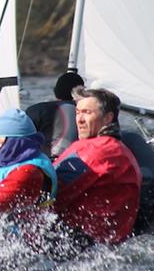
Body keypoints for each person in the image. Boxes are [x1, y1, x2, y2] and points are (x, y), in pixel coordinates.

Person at [53, 87, 141, 244]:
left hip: (79, 242)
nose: (79, 120)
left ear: (108, 118)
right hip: (103, 242)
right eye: (78, 112)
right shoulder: (113, 147)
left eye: (87, 113)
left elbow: (54, 193)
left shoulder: (98, 151)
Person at [25, 71, 84, 158]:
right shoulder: (88, 112)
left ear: (56, 92)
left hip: (43, 162)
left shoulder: (35, 110)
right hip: (77, 161)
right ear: (82, 93)